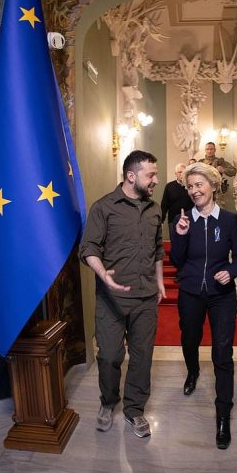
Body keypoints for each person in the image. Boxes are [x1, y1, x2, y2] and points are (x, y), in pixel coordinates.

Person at [79, 150, 166, 438]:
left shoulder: (154, 209)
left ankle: (135, 410)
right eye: (150, 175)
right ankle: (107, 403)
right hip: (111, 300)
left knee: (142, 358)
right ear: (131, 176)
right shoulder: (103, 207)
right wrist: (103, 273)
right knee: (110, 356)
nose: (156, 180)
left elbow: (156, 249)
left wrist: (160, 280)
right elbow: (88, 248)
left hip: (145, 299)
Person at [170, 163, 237, 450]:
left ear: (213, 186)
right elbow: (177, 260)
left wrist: (231, 270)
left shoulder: (228, 220)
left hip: (221, 294)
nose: (194, 190)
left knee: (223, 354)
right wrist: (179, 234)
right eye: (190, 186)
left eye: (199, 184)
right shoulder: (183, 219)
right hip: (190, 291)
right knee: (189, 339)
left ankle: (223, 416)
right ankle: (192, 371)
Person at [161, 162, 193, 236]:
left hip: (190, 220)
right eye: (179, 172)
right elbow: (164, 205)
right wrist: (161, 221)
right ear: (175, 174)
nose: (182, 174)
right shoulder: (169, 186)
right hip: (173, 221)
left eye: (184, 172)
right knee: (175, 245)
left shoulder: (191, 186)